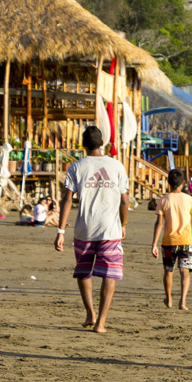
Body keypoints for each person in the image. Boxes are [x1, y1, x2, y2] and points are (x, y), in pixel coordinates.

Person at [54, 126, 129, 333]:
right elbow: (124, 200)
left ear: (83, 144)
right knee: (110, 274)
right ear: (102, 143)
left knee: (83, 272)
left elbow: (67, 199)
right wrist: (123, 224)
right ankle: (101, 323)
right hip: (110, 229)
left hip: (84, 229)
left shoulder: (76, 167)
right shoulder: (117, 166)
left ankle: (90, 313)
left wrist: (61, 231)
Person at [150, 168, 192, 311]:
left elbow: (159, 223)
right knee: (184, 271)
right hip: (186, 240)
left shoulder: (164, 199)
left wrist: (154, 243)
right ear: (183, 182)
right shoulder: (189, 199)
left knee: (168, 271)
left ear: (168, 183)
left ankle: (169, 298)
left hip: (168, 241)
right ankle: (183, 301)